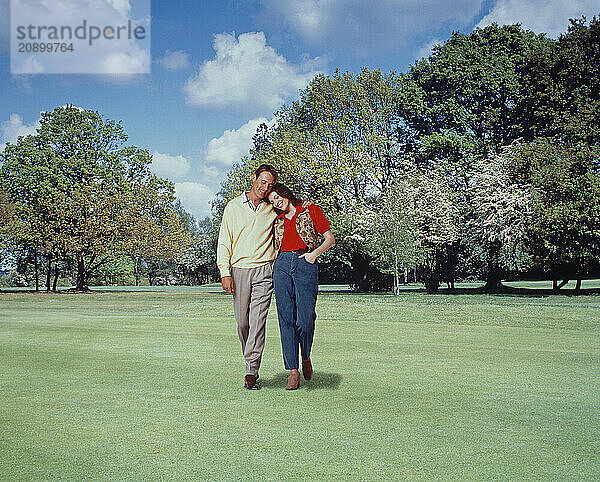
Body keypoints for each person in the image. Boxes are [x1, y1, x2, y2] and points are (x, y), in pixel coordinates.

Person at [216, 164, 279, 390]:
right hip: (239, 270)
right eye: (262, 182)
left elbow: (292, 209)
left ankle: (251, 371)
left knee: (257, 322)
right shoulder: (233, 207)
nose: (265, 187)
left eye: (270, 185)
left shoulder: (273, 208)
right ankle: (250, 358)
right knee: (243, 322)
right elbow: (224, 241)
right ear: (253, 178)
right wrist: (225, 272)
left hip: (264, 270)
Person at [267, 183, 335, 390]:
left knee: (305, 318)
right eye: (272, 201)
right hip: (281, 265)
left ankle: (306, 355)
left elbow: (329, 239)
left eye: (278, 197)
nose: (277, 202)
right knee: (285, 318)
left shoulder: (311, 210)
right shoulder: (275, 220)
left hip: (305, 261)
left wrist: (313, 255)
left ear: (286, 194)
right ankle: (293, 371)